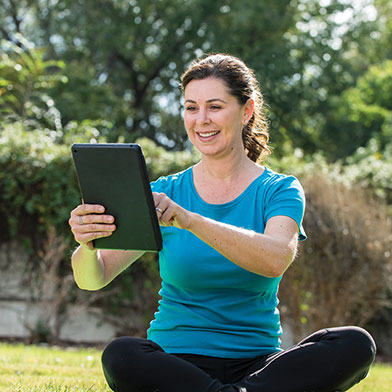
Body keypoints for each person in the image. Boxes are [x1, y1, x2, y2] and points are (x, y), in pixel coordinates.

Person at [69, 53, 376, 392]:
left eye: (214, 106)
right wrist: (87, 244)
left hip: (258, 365)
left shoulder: (278, 190)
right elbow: (93, 278)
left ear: (247, 111)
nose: (201, 120)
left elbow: (275, 259)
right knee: (121, 354)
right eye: (191, 107)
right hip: (177, 363)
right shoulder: (162, 192)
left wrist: (189, 220)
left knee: (355, 344)